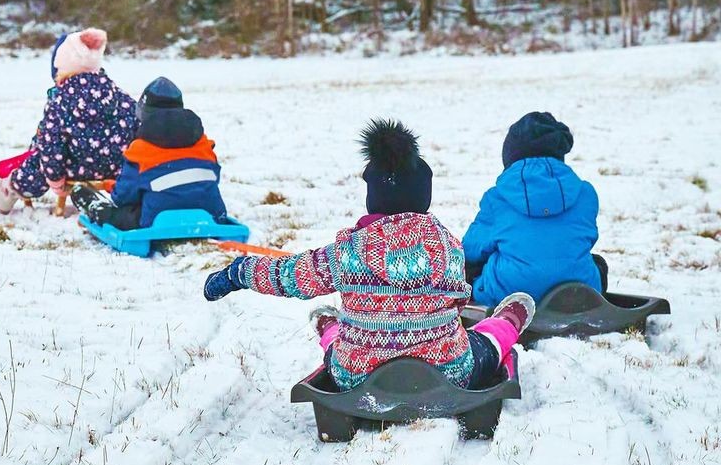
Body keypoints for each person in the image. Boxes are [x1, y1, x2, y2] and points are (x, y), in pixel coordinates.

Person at [201, 119, 535, 391]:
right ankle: (510, 318)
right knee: (486, 342)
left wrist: (239, 272)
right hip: (447, 371)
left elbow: (290, 276)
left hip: (357, 374)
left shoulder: (346, 252)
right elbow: (459, 301)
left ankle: (328, 325)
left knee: (343, 344)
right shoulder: (448, 247)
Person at [0, 29, 138, 215]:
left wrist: (56, 181)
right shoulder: (120, 96)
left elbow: (52, 147)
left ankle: (7, 189)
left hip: (75, 169)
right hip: (117, 169)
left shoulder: (61, 101)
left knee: (40, 160)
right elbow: (137, 128)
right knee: (45, 153)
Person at [464, 112, 605, 308]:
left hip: (508, 294)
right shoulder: (585, 193)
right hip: (578, 291)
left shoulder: (497, 197)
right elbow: (584, 239)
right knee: (596, 263)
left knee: (473, 266)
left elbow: (470, 248)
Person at [73, 77, 226, 231]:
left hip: (156, 220)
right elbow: (208, 179)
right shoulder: (204, 145)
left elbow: (122, 198)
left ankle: (92, 206)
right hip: (211, 214)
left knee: (96, 202)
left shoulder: (141, 151)